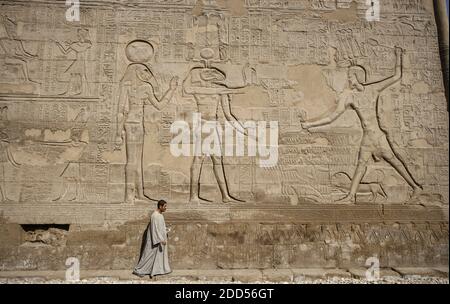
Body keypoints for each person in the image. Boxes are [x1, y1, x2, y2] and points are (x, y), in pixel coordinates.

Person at [302, 46, 422, 204]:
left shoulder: (373, 89)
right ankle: (351, 197)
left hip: (378, 137)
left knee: (395, 161)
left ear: (357, 77)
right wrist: (310, 124)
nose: (349, 80)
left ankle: (416, 187)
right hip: (367, 137)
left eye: (350, 77)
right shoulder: (349, 97)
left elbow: (396, 76)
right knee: (361, 166)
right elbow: (332, 117)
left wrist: (399, 55)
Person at [133, 200, 171, 278]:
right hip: (154, 240)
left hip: (159, 239)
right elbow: (155, 229)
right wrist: (160, 239)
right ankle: (139, 270)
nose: (166, 208)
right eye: (165, 206)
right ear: (160, 206)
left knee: (156, 256)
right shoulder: (154, 215)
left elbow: (160, 227)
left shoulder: (160, 215)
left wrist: (166, 229)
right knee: (148, 255)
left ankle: (156, 270)